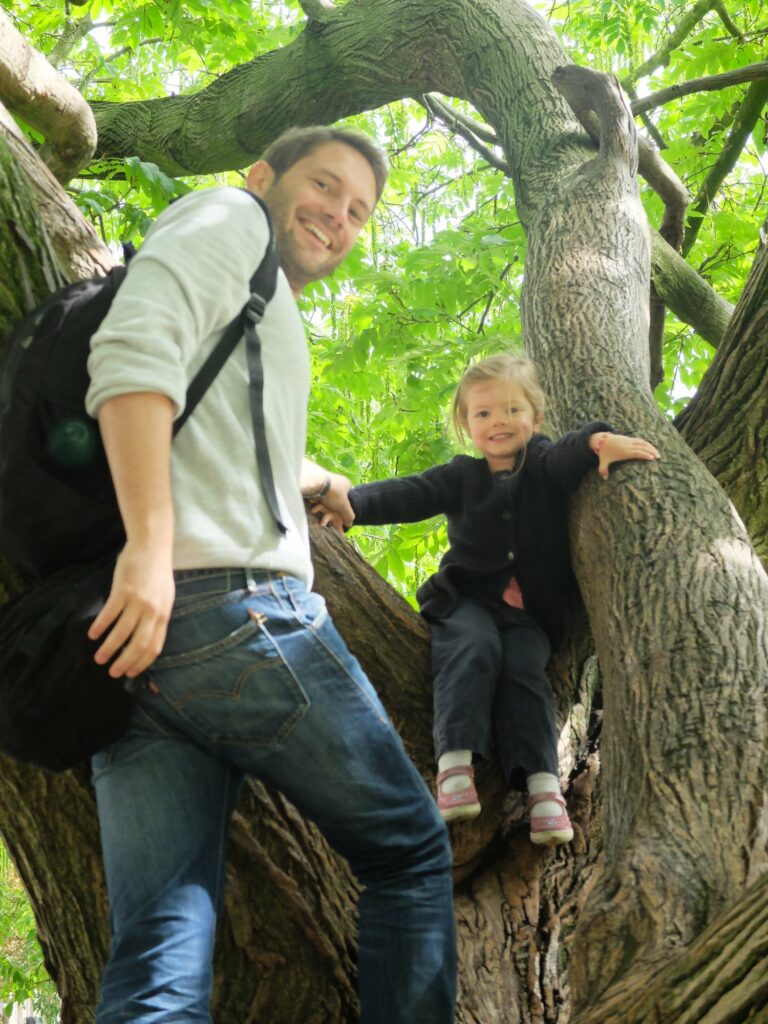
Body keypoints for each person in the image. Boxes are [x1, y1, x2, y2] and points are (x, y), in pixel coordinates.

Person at [84, 126, 456, 1024]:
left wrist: (321, 477)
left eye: (359, 209)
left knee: (161, 952)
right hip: (231, 612)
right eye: (324, 187)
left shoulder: (261, 298)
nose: (339, 215)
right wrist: (148, 543)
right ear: (263, 176)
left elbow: (231, 440)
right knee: (410, 852)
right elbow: (131, 355)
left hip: (142, 653)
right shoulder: (227, 216)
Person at [314, 354, 659, 843]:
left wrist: (598, 441)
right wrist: (351, 505)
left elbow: (566, 454)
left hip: (529, 618)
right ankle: (454, 765)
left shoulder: (542, 465)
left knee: (524, 675)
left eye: (512, 410)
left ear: (536, 419)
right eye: (483, 414)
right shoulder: (462, 477)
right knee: (471, 649)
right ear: (466, 425)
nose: (498, 421)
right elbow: (411, 493)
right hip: (467, 600)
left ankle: (543, 790)